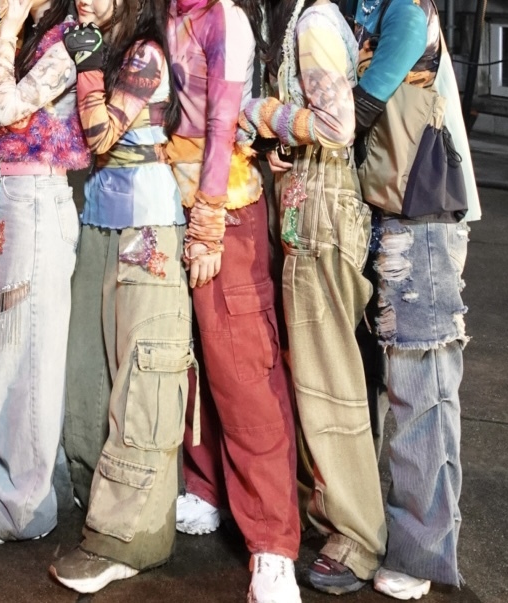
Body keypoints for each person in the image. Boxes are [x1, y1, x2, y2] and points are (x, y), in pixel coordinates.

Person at [239, 0, 382, 594]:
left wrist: (264, 112)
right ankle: (333, 517)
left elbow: (337, 125)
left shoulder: (315, 23)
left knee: (330, 380)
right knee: (313, 375)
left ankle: (357, 535)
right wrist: (284, 136)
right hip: (310, 202)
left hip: (323, 211)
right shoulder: (304, 21)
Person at [50, 0, 191, 592]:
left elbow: (100, 134)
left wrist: (85, 66)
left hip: (147, 225)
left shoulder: (145, 54)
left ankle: (129, 538)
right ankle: (97, 508)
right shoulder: (106, 49)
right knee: (87, 373)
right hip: (101, 220)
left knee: (143, 381)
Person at [166, 0, 300, 600]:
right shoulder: (167, 13)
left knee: (245, 372)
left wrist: (209, 220)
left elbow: (223, 121)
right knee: (192, 361)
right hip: (169, 205)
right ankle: (206, 485)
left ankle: (273, 545)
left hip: (225, 212)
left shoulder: (225, 19)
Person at [352, 0, 481, 598]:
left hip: (421, 222)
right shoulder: (370, 10)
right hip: (395, 215)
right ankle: (403, 536)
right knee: (403, 387)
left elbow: (356, 111)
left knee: (421, 392)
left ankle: (422, 553)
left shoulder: (403, 11)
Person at [0, 0, 90, 545]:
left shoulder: (67, 40)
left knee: (25, 356)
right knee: (24, 351)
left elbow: (6, 109)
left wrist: (7, 30)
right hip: (18, 196)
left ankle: (21, 507)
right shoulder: (45, 34)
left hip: (36, 196)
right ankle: (37, 491)